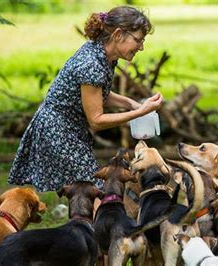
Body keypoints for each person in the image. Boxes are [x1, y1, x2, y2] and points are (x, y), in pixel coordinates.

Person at [8, 6, 163, 192]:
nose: (142, 47)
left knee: (84, 192)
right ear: (118, 34)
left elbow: (98, 94)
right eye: (138, 40)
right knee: (94, 191)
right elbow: (97, 121)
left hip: (68, 128)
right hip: (57, 131)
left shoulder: (103, 54)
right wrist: (139, 112)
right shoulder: (92, 63)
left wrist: (131, 103)